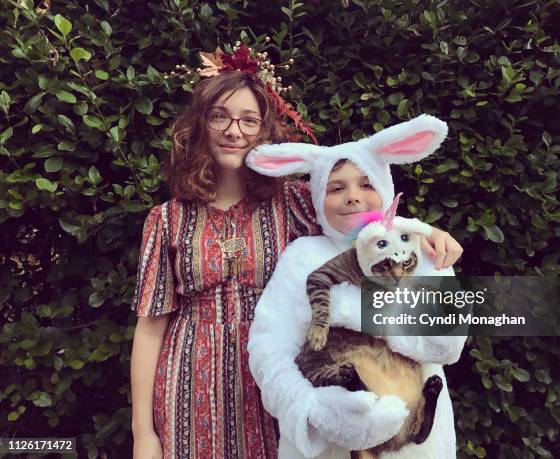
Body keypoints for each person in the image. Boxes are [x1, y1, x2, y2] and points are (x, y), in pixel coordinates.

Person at [129, 55, 464, 458]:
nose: (234, 131)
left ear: (263, 131)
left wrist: (429, 233)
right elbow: (150, 329)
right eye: (220, 116)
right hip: (191, 389)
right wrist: (143, 433)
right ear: (201, 123)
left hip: (286, 379)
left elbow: (364, 219)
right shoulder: (167, 219)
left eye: (248, 120)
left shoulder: (296, 202)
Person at [246, 116, 467, 459]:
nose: (353, 197)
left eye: (367, 184)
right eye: (336, 188)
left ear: (385, 189)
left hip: (412, 440)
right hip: (327, 440)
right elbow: (268, 346)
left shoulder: (418, 249)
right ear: (319, 197)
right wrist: (309, 406)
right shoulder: (303, 256)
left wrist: (355, 314)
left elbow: (446, 341)